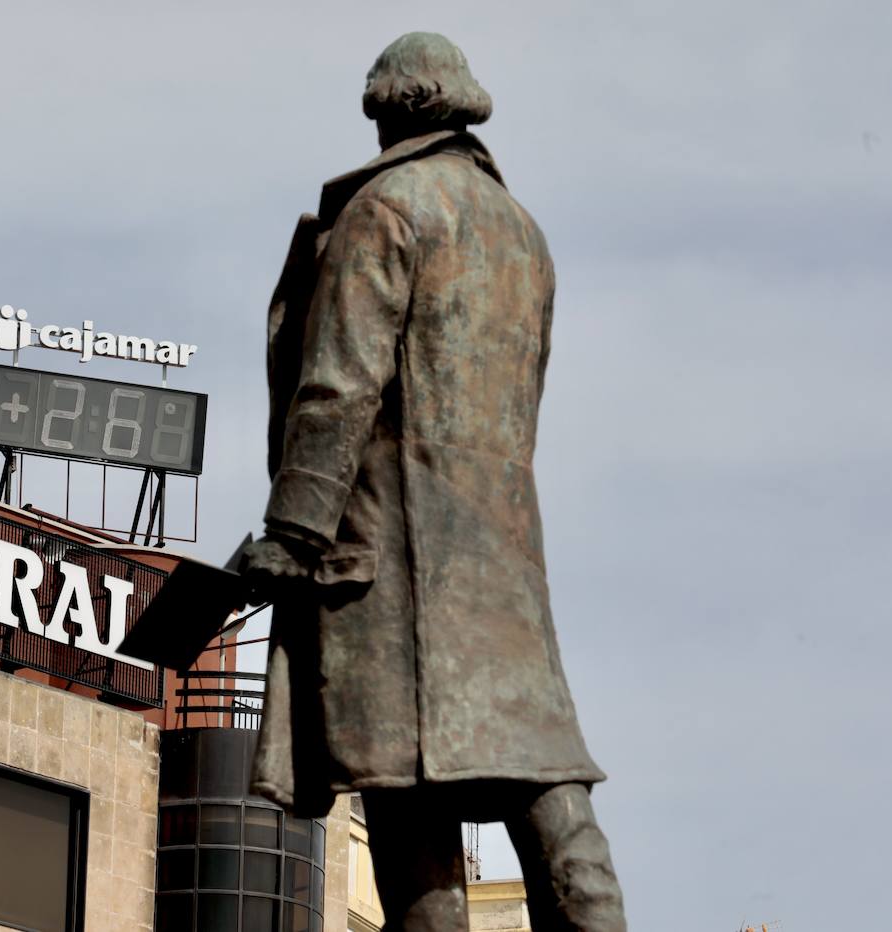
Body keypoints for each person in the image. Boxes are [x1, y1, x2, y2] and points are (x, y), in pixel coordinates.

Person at [241, 32, 628, 931]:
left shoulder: (387, 210)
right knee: (546, 787)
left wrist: (295, 529)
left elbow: (337, 385)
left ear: (388, 113)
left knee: (410, 807)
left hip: (390, 557)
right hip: (500, 563)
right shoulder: (522, 233)